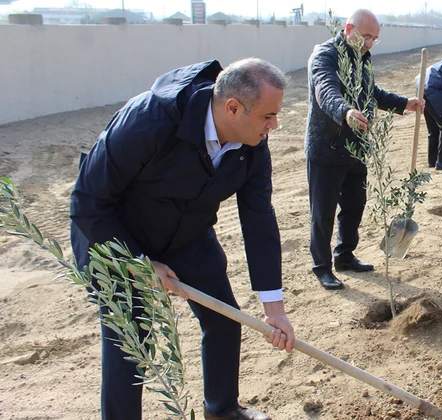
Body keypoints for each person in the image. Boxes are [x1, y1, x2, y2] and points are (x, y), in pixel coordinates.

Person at [70, 58, 295, 420]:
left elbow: (258, 217)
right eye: (268, 116)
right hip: (116, 236)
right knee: (131, 342)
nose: (275, 124)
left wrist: (275, 308)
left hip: (188, 233)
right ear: (233, 108)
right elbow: (87, 202)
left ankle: (221, 410)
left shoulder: (252, 141)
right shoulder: (149, 120)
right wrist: (140, 263)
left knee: (224, 320)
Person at [305, 9, 423, 290]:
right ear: (349, 29)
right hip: (326, 148)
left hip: (356, 148)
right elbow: (326, 89)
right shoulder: (325, 56)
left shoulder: (362, 59)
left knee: (355, 204)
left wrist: (403, 103)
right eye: (367, 36)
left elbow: (372, 92)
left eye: (375, 38)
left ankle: (345, 256)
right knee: (323, 212)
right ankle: (322, 267)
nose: (370, 43)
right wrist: (345, 112)